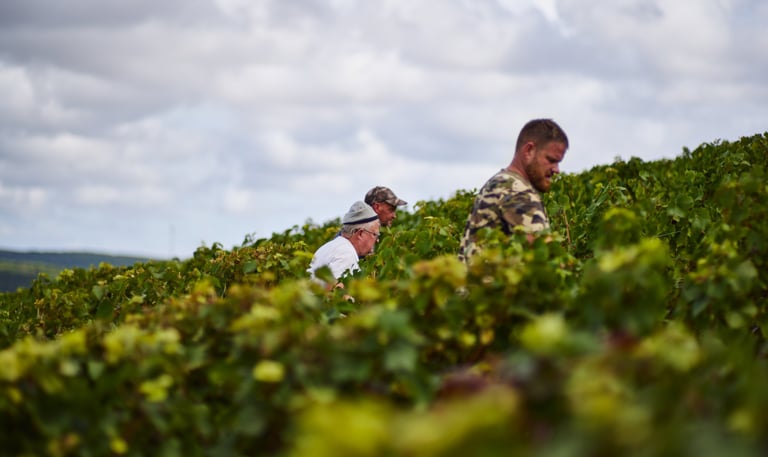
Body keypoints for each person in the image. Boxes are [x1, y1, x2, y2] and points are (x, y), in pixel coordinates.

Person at [458, 118, 569, 262]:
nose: (556, 170)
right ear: (529, 150)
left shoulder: (500, 182)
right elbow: (544, 260)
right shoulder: (518, 192)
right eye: (551, 160)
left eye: (558, 162)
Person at [308, 201, 381, 287]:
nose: (377, 240)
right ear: (360, 233)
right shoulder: (346, 253)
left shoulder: (329, 247)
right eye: (375, 234)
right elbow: (336, 293)